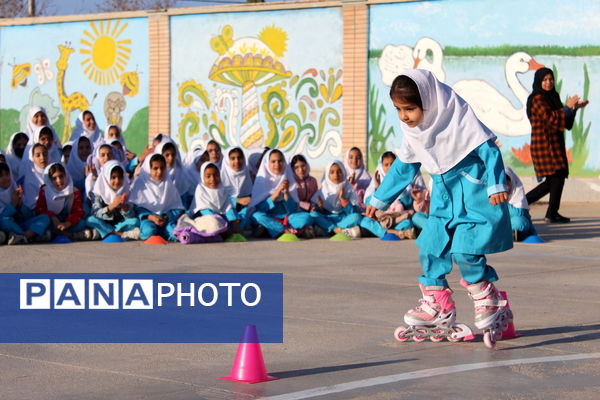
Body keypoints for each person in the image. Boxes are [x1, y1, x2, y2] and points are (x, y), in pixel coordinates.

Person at [365, 70, 513, 347]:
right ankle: (437, 304)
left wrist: (495, 185)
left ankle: (486, 296)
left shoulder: (456, 117)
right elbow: (404, 167)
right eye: (398, 109)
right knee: (431, 247)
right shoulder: (414, 132)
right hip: (443, 195)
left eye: (410, 108)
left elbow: (489, 150)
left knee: (465, 250)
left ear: (429, 102)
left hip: (473, 192)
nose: (403, 116)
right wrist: (378, 200)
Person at [525, 67, 588, 223]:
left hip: (555, 144)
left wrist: (573, 109)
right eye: (545, 80)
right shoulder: (537, 98)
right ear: (539, 81)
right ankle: (533, 206)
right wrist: (567, 108)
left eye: (550, 79)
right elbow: (550, 118)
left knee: (555, 179)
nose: (548, 82)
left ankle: (549, 212)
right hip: (544, 145)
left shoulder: (552, 96)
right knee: (556, 178)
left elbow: (564, 122)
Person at [249, 149, 312, 239]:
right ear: (267, 163)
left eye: (280, 161)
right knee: (256, 216)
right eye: (273, 161)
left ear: (284, 162)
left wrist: (286, 193)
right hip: (269, 216)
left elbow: (293, 209)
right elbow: (259, 208)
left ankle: (271, 230)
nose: (277, 164)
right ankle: (285, 230)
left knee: (306, 217)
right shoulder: (261, 181)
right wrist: (275, 195)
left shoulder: (288, 178)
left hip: (288, 217)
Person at [360, 152, 417, 239]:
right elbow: (368, 203)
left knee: (407, 223)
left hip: (396, 218)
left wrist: (399, 187)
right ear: (381, 166)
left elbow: (408, 203)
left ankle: (384, 232)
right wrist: (378, 188)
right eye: (386, 165)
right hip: (381, 219)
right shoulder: (376, 181)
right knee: (365, 222)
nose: (390, 167)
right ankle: (398, 233)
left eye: (392, 164)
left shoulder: (402, 180)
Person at [130, 154, 184, 241]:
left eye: (162, 168)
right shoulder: (140, 184)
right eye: (155, 168)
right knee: (149, 232)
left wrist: (166, 217)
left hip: (165, 220)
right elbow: (137, 208)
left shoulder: (168, 184)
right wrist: (151, 217)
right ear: (148, 169)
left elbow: (176, 207)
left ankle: (162, 232)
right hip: (148, 218)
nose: (159, 172)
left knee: (176, 234)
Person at [35, 163, 93, 241]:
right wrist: (53, 217)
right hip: (52, 222)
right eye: (54, 178)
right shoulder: (45, 191)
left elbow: (77, 212)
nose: (59, 180)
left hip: (68, 223)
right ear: (49, 180)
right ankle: (71, 235)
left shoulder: (74, 191)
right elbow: (40, 210)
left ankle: (54, 235)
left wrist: (67, 223)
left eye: (61, 176)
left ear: (66, 175)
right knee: (43, 221)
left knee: (81, 223)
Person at [86, 160, 140, 240]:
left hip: (120, 224)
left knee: (135, 221)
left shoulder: (127, 190)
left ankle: (104, 232)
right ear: (107, 177)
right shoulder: (98, 191)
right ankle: (118, 234)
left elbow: (131, 216)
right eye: (113, 177)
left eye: (120, 177)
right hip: (104, 222)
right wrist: (112, 206)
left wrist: (124, 207)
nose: (117, 181)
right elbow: (95, 213)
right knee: (90, 220)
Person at [0, 162, 50, 244]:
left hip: (21, 224)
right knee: (3, 221)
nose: (5, 178)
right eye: (1, 176)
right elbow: (2, 217)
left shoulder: (14, 187)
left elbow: (27, 215)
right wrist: (13, 205)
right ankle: (28, 235)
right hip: (8, 224)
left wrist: (20, 203)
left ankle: (23, 237)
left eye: (7, 174)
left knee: (45, 218)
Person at [311, 160, 362, 239]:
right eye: (332, 172)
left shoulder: (348, 189)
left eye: (339, 171)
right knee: (313, 215)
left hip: (343, 218)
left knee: (356, 216)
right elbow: (315, 210)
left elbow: (353, 212)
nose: (336, 175)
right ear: (327, 174)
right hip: (328, 218)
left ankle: (332, 230)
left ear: (343, 172)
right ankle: (338, 230)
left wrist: (343, 199)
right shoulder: (323, 190)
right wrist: (319, 207)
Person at [190, 162, 241, 237]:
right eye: (208, 176)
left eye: (216, 175)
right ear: (202, 177)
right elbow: (204, 210)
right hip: (206, 219)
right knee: (212, 222)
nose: (213, 179)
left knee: (237, 217)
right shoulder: (201, 190)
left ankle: (226, 230)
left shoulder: (222, 189)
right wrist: (219, 221)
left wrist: (234, 222)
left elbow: (229, 207)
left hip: (222, 219)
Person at [505, 167, 537, 241]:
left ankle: (514, 234)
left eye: (507, 183)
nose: (505, 187)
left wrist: (532, 233)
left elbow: (521, 213)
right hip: (497, 222)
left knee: (521, 222)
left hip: (511, 222)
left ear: (512, 182)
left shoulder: (517, 192)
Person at [20, 143, 49, 210]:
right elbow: (32, 205)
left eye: (45, 154)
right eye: (38, 155)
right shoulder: (30, 179)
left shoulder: (53, 172)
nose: (42, 157)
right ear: (32, 158)